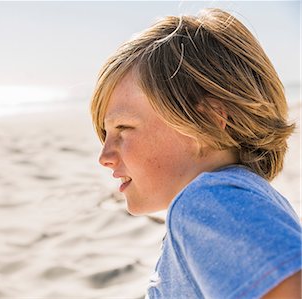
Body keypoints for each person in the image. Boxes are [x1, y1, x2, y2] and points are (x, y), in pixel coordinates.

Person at [90, 8, 301, 299]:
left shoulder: (206, 202)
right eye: (105, 134)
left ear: (207, 121)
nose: (105, 155)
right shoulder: (245, 197)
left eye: (124, 127)